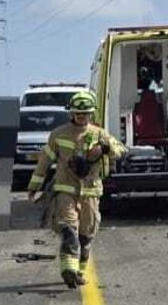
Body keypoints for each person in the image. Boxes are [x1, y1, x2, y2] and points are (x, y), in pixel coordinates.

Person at [27, 91, 125, 288]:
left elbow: (121, 150)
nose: (81, 117)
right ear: (71, 113)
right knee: (69, 228)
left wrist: (104, 149)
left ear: (91, 114)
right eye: (78, 113)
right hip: (65, 189)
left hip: (90, 191)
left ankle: (79, 271)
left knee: (86, 234)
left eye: (85, 113)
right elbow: (44, 163)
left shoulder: (99, 134)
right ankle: (68, 270)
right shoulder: (58, 134)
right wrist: (34, 187)